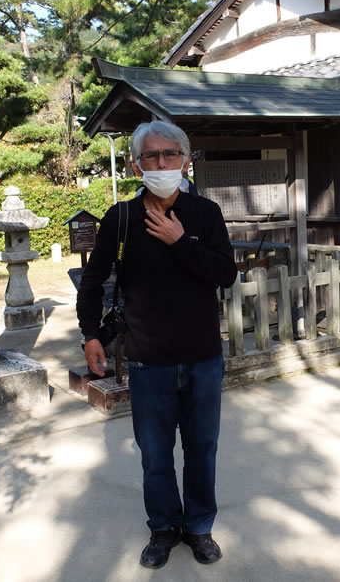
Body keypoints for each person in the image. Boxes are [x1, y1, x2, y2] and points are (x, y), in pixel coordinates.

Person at [76, 121, 238, 568]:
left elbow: (225, 273)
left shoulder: (204, 214)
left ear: (186, 160)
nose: (162, 163)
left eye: (170, 155)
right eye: (151, 156)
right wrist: (91, 334)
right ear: (136, 164)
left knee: (203, 447)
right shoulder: (121, 218)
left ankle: (199, 527)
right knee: (155, 453)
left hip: (203, 356)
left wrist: (180, 240)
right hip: (148, 360)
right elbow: (91, 283)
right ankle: (163, 528)